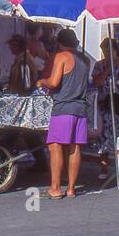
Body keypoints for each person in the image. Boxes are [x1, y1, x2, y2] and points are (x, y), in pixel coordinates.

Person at [36, 28, 90, 198]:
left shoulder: (62, 57)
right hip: (80, 107)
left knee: (55, 145)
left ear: (60, 43)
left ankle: (55, 187)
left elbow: (53, 82)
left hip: (63, 106)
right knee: (75, 147)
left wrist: (40, 81)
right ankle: (72, 188)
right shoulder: (84, 60)